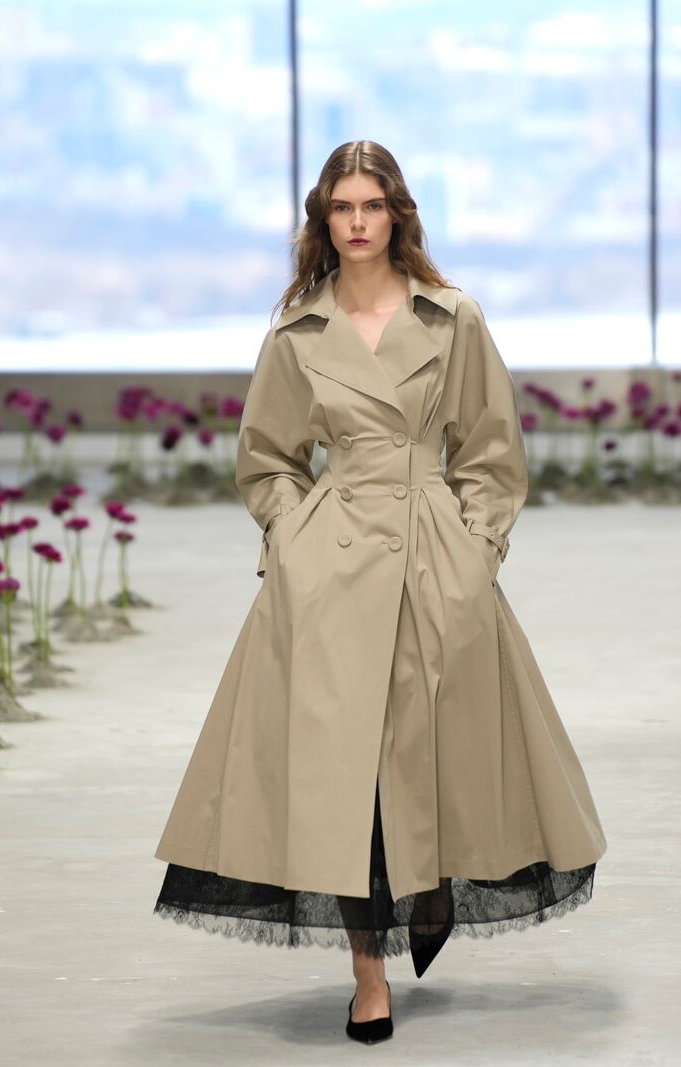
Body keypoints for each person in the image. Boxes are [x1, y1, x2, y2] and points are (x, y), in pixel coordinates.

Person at [153, 141, 606, 1046]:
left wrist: (479, 553)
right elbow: (266, 460)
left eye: (372, 205)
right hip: (329, 574)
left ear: (397, 213)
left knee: (428, 753)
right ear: (323, 220)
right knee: (342, 778)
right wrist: (293, 539)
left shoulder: (452, 319)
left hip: (434, 557)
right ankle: (369, 974)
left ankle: (429, 890)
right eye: (341, 208)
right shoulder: (297, 333)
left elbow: (491, 451)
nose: (357, 222)